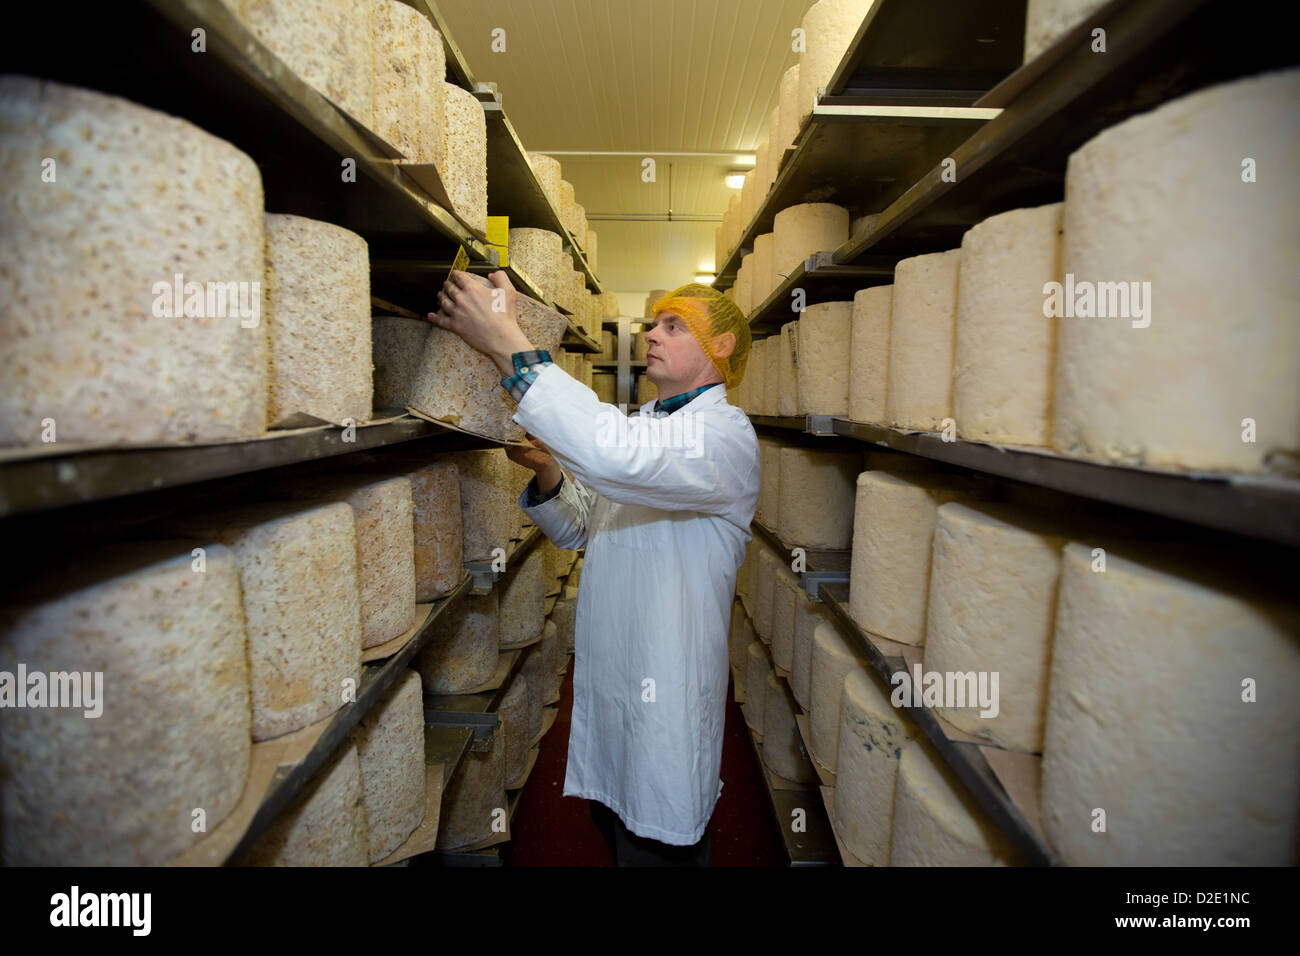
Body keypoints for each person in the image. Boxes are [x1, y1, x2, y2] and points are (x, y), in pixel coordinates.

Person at [428, 272, 758, 866]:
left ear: (723, 347)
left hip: (666, 690)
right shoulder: (650, 423)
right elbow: (584, 529)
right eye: (653, 321)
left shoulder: (723, 439)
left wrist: (506, 340)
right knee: (613, 827)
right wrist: (550, 470)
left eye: (673, 325)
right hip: (614, 682)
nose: (651, 333)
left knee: (657, 844)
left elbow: (616, 458)